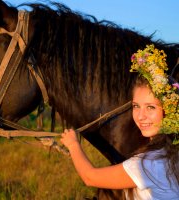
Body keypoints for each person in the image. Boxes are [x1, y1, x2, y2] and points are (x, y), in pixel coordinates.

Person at [60, 44, 179, 200]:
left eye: (150, 107)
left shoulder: (146, 164)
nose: (141, 116)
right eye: (136, 106)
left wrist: (73, 144)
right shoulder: (172, 152)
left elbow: (90, 177)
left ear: (168, 111)